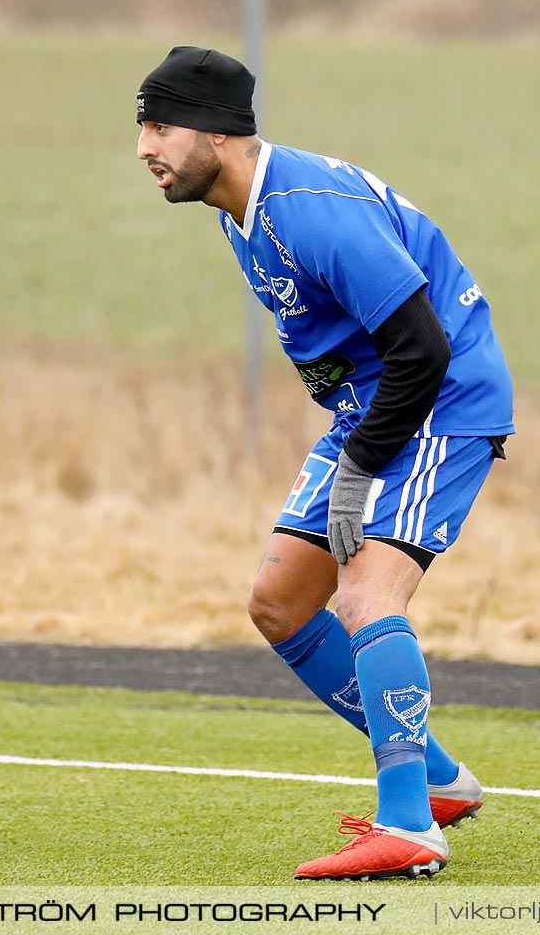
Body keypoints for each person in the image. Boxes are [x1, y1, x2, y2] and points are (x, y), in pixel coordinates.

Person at [133, 47, 515, 880]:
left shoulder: (309, 209)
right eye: (141, 128)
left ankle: (410, 823)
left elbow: (423, 347)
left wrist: (359, 465)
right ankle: (442, 780)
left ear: (222, 134)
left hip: (443, 402)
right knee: (280, 604)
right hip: (375, 407)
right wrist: (355, 442)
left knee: (367, 594)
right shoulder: (238, 211)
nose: (143, 148)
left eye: (159, 126)